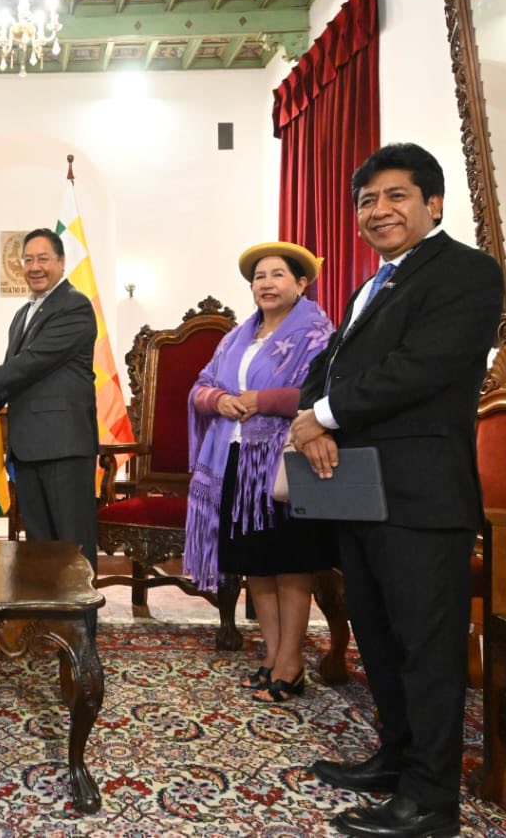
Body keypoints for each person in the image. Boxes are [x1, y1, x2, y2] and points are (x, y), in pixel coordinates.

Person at [291, 143, 503, 838]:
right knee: (377, 640)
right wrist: (313, 418)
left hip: (420, 495)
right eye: (366, 201)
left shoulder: (467, 274)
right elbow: (328, 363)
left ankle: (432, 800)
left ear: (433, 203)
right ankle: (396, 758)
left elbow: (421, 369)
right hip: (357, 487)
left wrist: (322, 415)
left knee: (426, 647)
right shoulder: (370, 285)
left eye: (395, 196)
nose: (378, 211)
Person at [184, 242, 336, 704]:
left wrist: (260, 401)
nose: (266, 284)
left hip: (284, 462)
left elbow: (324, 392)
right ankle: (272, 656)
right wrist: (220, 401)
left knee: (289, 566)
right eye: (259, 278)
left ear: (301, 284)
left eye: (277, 275)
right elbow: (201, 386)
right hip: (233, 459)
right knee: (258, 569)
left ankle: (292, 663)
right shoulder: (236, 337)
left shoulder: (318, 334)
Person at [0, 228, 99, 619]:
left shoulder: (74, 306)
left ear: (62, 263)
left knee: (72, 546)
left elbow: (35, 361)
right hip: (29, 444)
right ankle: (50, 630)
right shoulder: (23, 313)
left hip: (64, 444)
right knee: (42, 549)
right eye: (28, 260)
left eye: (43, 258)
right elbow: (20, 373)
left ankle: (82, 636)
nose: (35, 267)